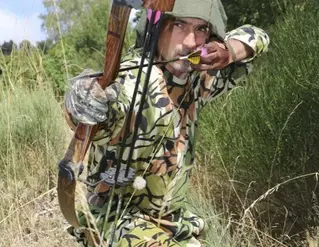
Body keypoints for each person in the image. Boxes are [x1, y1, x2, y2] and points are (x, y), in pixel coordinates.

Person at [64, 0, 270, 246]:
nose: (191, 41)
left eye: (201, 29)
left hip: (174, 223)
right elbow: (105, 110)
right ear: (155, 28)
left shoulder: (197, 77)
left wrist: (228, 51)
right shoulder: (133, 79)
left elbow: (258, 37)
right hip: (116, 224)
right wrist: (85, 101)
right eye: (179, 25)